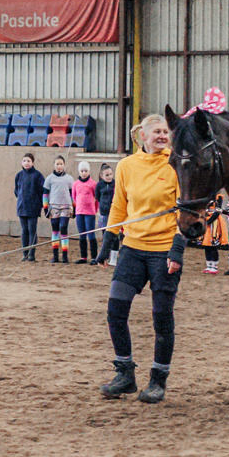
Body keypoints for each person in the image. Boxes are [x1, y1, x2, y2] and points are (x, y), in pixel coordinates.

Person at [94, 114, 187, 404]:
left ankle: (158, 380)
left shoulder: (177, 165)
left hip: (164, 250)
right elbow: (119, 205)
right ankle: (125, 374)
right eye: (156, 132)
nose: (162, 136)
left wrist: (177, 250)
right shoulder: (127, 166)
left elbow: (186, 211)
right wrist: (108, 242)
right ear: (142, 136)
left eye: (165, 132)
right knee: (116, 310)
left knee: (161, 317)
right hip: (132, 248)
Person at [43, 155, 77, 263]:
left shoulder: (69, 179)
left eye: (61, 164)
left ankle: (65, 255)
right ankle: (55, 255)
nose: (59, 166)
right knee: (55, 230)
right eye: (57, 164)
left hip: (66, 207)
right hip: (54, 207)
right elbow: (45, 195)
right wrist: (45, 208)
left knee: (63, 228)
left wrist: (74, 207)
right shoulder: (49, 179)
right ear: (54, 165)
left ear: (64, 165)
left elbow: (73, 195)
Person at [13, 153, 45, 262]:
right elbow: (17, 191)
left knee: (32, 230)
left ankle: (32, 254)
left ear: (33, 163)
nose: (26, 163)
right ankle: (25, 253)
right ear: (22, 162)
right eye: (24, 161)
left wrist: (39, 204)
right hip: (22, 207)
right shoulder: (19, 175)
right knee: (24, 231)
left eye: (29, 161)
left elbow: (42, 191)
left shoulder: (38, 175)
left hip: (33, 208)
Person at [71, 160, 99, 267]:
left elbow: (96, 198)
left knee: (91, 233)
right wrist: (77, 207)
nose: (84, 173)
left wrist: (95, 210)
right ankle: (83, 256)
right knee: (81, 234)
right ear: (79, 172)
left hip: (90, 212)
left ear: (89, 171)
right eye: (82, 171)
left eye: (85, 171)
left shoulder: (93, 184)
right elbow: (74, 197)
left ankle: (94, 257)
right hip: (79, 212)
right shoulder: (76, 184)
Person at [92, 163, 116, 265]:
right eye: (107, 175)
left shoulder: (115, 184)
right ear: (102, 176)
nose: (110, 176)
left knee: (114, 236)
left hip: (114, 213)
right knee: (105, 236)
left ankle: (114, 258)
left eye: (111, 174)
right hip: (103, 214)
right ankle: (106, 256)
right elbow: (97, 197)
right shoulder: (99, 185)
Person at [201, 190, 229, 274]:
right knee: (206, 245)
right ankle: (209, 265)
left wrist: (209, 221)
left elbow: (218, 210)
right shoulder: (205, 196)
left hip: (214, 222)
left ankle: (214, 266)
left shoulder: (219, 196)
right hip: (205, 220)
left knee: (213, 245)